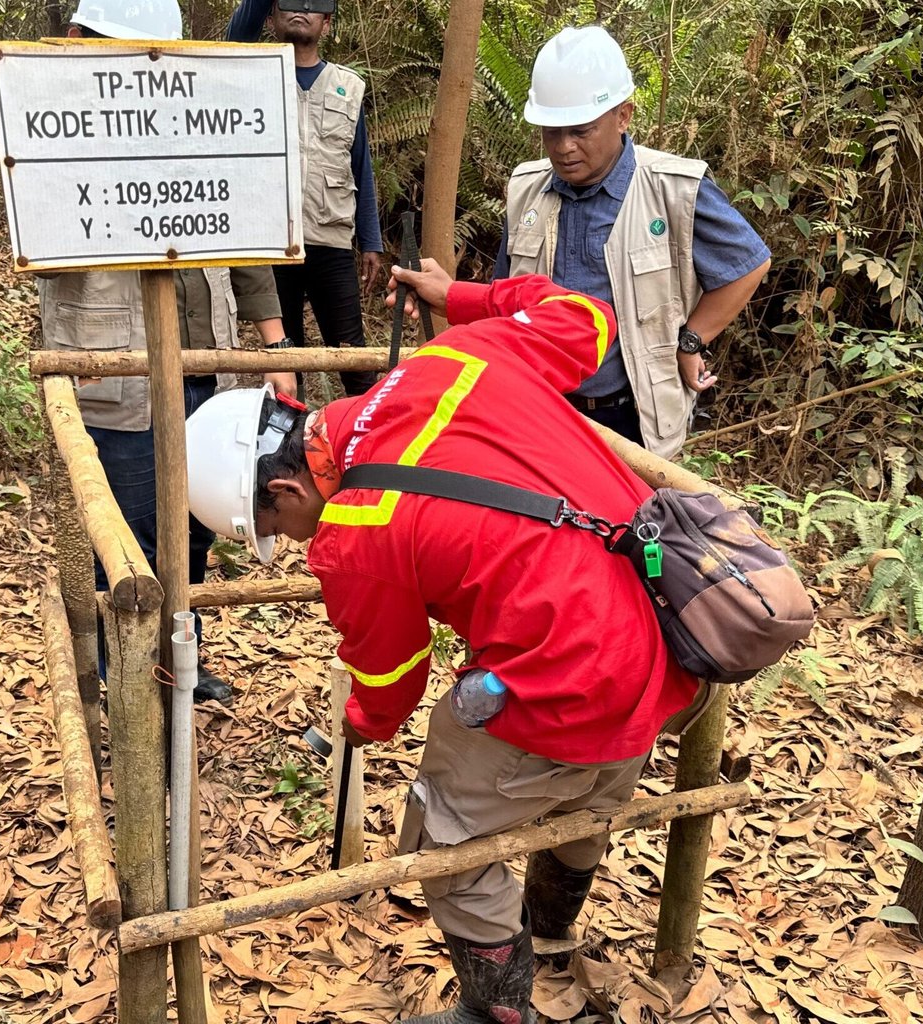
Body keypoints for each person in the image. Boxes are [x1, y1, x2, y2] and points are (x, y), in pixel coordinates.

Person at [185, 259, 709, 1024]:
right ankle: (552, 931)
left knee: (439, 837)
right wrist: (459, 298)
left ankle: (499, 1010)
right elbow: (586, 320)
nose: (290, 542)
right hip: (672, 627)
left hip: (576, 677)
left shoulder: (353, 528)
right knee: (590, 790)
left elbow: (392, 679)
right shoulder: (450, 359)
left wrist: (358, 725)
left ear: (284, 491)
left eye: (273, 530)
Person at [42, 0, 299, 703]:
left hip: (201, 365)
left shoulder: (199, 121)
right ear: (78, 44)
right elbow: (43, 245)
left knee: (193, 521)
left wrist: (274, 344)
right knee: (122, 526)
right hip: (114, 369)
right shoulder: (50, 129)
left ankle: (181, 659)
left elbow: (243, 233)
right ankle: (120, 678)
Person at [495, 25, 771, 459]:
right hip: (540, 410)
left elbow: (748, 265)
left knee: (631, 524)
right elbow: (503, 296)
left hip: (632, 419)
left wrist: (692, 340)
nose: (564, 147)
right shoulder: (526, 190)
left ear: (623, 116)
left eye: (580, 131)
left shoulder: (673, 189)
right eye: (551, 131)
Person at [227, 0, 383, 397]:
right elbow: (236, 37)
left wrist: (371, 241)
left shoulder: (347, 87)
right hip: (275, 243)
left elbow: (360, 166)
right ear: (270, 18)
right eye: (290, 3)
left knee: (353, 358)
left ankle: (361, 442)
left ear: (327, 24)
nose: (302, 10)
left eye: (313, 5)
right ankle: (291, 450)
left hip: (331, 241)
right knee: (284, 360)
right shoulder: (252, 74)